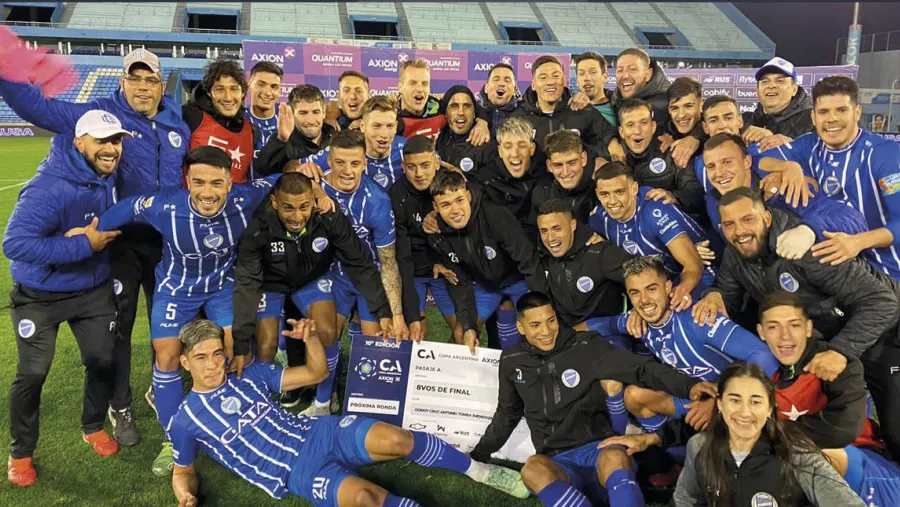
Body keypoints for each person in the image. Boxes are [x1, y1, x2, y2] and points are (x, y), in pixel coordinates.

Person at [0, 48, 189, 445]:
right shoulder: (103, 115)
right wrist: (8, 72)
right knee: (117, 329)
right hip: (117, 241)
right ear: (122, 82)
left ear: (162, 83)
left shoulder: (177, 122)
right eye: (134, 78)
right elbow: (40, 111)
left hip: (165, 242)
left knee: (167, 323)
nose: (142, 86)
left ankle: (161, 386)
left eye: (150, 79)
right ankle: (119, 405)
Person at [169, 319, 530, 506]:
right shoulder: (185, 420)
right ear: (185, 363)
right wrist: (184, 495)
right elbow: (183, 471)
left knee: (399, 438)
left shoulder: (250, 374)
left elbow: (316, 374)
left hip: (317, 431)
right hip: (297, 471)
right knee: (368, 499)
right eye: (201, 358)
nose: (213, 364)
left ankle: (481, 472)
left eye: (217, 353)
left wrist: (310, 339)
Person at [95, 146, 282, 475]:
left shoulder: (244, 197)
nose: (207, 192)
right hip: (176, 290)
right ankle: (173, 440)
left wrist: (316, 175)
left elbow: (278, 180)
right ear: (187, 181)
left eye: (216, 183)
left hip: (222, 285)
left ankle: (238, 418)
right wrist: (94, 230)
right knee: (166, 357)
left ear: (230, 182)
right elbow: (127, 207)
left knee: (238, 351)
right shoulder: (165, 204)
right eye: (198, 182)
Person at [692, 187, 900, 461]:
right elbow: (728, 294)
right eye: (729, 225)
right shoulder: (736, 255)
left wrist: (841, 350)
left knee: (897, 432)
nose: (739, 231)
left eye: (747, 220)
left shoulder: (805, 248)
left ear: (767, 218)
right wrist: (714, 295)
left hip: (881, 334)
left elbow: (882, 302)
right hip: (823, 342)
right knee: (842, 428)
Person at [470, 291, 714, 507]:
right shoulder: (512, 361)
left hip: (600, 451)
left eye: (551, 320)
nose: (546, 331)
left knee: (615, 455)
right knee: (532, 469)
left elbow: (641, 369)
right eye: (535, 325)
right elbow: (508, 412)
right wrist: (481, 452)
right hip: (559, 462)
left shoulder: (586, 347)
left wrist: (689, 386)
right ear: (521, 327)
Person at [3, 110, 132, 486]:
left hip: (92, 291)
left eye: (116, 140)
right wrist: (79, 244)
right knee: (32, 375)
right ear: (79, 143)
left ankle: (92, 426)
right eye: (101, 140)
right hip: (40, 296)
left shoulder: (105, 175)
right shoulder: (49, 186)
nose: (110, 148)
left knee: (102, 360)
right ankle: (21, 453)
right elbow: (15, 244)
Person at [232, 172, 391, 411]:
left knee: (327, 332)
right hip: (270, 284)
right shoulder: (258, 228)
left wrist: (383, 309)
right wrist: (241, 342)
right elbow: (248, 283)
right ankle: (260, 404)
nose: (297, 216)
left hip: (311, 280)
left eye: (304, 207)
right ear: (275, 202)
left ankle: (324, 399)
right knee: (265, 346)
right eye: (288, 208)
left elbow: (360, 262)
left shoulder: (329, 217)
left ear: (314, 200)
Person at [593, 256, 778, 436]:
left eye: (651, 289)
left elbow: (764, 356)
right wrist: (567, 333)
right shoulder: (639, 320)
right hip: (694, 393)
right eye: (635, 293)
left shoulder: (698, 317)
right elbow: (605, 324)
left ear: (667, 288)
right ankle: (672, 453)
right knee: (634, 396)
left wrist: (722, 399)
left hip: (733, 396)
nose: (644, 300)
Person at [758, 291, 900, 506]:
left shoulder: (836, 362)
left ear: (808, 328)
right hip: (798, 477)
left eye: (794, 325)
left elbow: (844, 429)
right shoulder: (757, 374)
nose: (785, 335)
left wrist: (771, 433)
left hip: (866, 467)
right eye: (773, 327)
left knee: (815, 457)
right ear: (761, 332)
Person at [759, 76, 900, 281]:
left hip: (890, 274)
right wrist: (788, 167)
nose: (832, 119)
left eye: (841, 110)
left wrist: (858, 242)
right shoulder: (810, 144)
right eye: (824, 112)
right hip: (840, 271)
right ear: (813, 117)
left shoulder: (883, 153)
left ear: (857, 112)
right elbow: (759, 159)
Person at [670, 362, 863, 506]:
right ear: (720, 404)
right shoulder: (699, 446)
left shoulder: (795, 453)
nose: (745, 413)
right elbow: (686, 499)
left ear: (770, 408)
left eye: (755, 402)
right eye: (735, 400)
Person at [316, 130, 409, 367]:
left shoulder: (377, 200)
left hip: (369, 278)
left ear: (364, 164)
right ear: (329, 161)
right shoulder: (313, 191)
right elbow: (285, 174)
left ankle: (363, 393)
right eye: (340, 163)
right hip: (332, 277)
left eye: (355, 163)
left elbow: (387, 262)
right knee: (325, 336)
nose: (348, 171)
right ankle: (324, 399)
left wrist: (397, 315)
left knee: (376, 343)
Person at [700, 133, 868, 261]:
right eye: (711, 166)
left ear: (746, 163)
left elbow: (854, 219)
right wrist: (700, 249)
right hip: (761, 287)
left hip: (812, 285)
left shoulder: (784, 186)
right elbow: (725, 244)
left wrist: (809, 230)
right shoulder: (714, 200)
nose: (719, 173)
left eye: (727, 162)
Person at [427, 170, 542, 350]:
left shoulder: (494, 214)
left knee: (538, 329)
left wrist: (541, 303)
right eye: (446, 204)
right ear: (435, 207)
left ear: (468, 195)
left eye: (459, 200)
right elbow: (460, 282)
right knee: (461, 335)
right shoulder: (437, 234)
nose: (455, 210)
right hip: (487, 286)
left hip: (520, 281)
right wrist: (468, 326)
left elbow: (528, 260)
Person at [590, 161, 716, 305]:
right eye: (605, 194)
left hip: (701, 270)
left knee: (684, 311)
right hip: (658, 284)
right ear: (597, 195)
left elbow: (693, 264)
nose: (612, 201)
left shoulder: (653, 210)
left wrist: (679, 293)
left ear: (634, 189)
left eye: (620, 192)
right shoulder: (598, 219)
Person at [391, 136, 457, 342]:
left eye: (425, 165)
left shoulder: (451, 187)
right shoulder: (396, 195)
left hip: (445, 266)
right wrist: (412, 317)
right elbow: (402, 255)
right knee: (414, 334)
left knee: (464, 332)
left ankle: (444, 371)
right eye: (411, 167)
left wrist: (445, 262)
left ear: (437, 163)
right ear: (403, 166)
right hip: (413, 269)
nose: (419, 174)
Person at [534, 199, 632, 331]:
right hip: (566, 336)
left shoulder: (600, 252)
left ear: (572, 225)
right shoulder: (543, 257)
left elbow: (643, 278)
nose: (550, 238)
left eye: (556, 229)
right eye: (544, 231)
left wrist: (637, 312)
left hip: (607, 333)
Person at [512, 55, 620, 163]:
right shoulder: (519, 118)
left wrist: (610, 148)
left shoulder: (582, 109)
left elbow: (606, 133)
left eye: (556, 76)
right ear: (534, 85)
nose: (550, 82)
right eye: (543, 77)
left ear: (564, 80)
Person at [616, 98, 705, 215]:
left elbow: (696, 195)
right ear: (622, 132)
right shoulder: (611, 156)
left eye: (643, 123)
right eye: (630, 125)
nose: (637, 131)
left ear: (653, 127)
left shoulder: (673, 153)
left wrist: (675, 197)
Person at [303, 96, 406, 191]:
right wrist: (308, 175)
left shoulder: (406, 150)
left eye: (390, 126)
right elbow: (293, 167)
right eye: (376, 126)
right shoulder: (344, 150)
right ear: (362, 126)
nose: (384, 134)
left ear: (396, 126)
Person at [184, 59, 257, 183]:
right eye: (219, 89)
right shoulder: (190, 117)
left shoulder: (250, 130)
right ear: (209, 93)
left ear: (243, 93)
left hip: (233, 201)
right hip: (193, 200)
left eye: (234, 89)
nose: (227, 97)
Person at [470, 117, 544, 235]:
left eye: (522, 145)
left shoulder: (547, 173)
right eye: (508, 146)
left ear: (532, 149)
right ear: (500, 151)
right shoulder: (485, 181)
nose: (515, 153)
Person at [255, 84, 335, 176]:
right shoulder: (284, 142)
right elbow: (261, 168)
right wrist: (281, 139)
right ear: (292, 114)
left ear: (324, 113)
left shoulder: (335, 137)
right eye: (303, 113)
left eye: (316, 112)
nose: (311, 120)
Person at [530, 130, 599, 226]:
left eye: (571, 163)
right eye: (558, 165)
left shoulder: (600, 191)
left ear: (583, 159)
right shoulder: (541, 193)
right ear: (549, 166)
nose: (566, 172)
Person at [743, 57, 815, 142]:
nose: (771, 85)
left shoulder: (813, 120)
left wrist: (788, 146)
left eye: (780, 81)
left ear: (794, 89)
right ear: (757, 91)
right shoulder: (747, 122)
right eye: (765, 81)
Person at [436, 85, 497, 174]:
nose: (461, 112)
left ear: (474, 113)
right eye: (454, 106)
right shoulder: (438, 136)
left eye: (467, 106)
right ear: (445, 113)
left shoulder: (487, 144)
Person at [613, 48, 670, 126]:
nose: (625, 75)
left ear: (648, 74)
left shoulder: (670, 102)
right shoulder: (613, 101)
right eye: (620, 70)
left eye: (632, 69)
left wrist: (693, 136)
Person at [664, 77, 705, 170]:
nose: (681, 115)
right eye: (674, 108)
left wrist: (697, 137)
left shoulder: (714, 130)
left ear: (701, 105)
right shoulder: (664, 131)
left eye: (688, 106)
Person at [246, 61, 283, 161]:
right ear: (249, 85)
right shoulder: (237, 118)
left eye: (274, 87)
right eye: (261, 85)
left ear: (280, 91)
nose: (267, 92)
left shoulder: (290, 119)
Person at [476, 63, 521, 134]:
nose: (501, 84)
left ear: (514, 90)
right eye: (496, 80)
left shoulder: (523, 114)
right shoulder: (474, 111)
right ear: (486, 87)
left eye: (507, 81)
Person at [575, 51, 616, 126]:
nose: (587, 78)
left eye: (593, 72)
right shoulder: (570, 110)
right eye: (581, 74)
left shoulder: (620, 108)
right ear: (577, 81)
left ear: (605, 77)